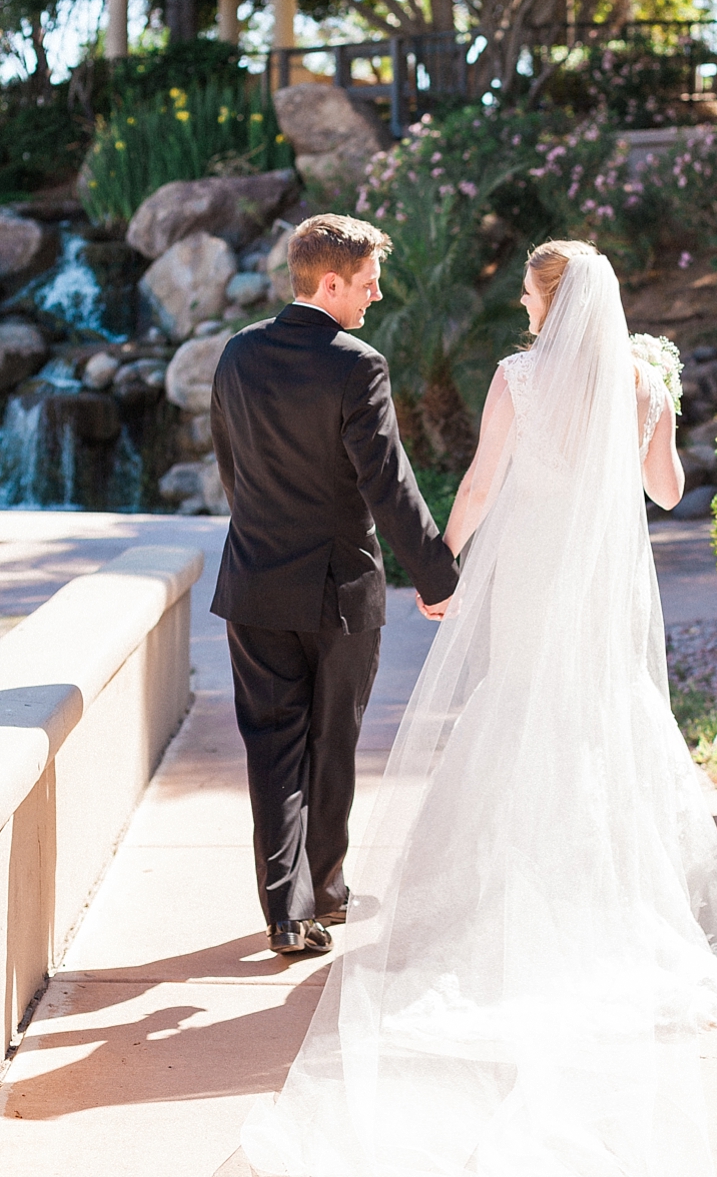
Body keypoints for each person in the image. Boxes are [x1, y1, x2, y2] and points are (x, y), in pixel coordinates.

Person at [242, 240, 717, 1176]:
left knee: (522, 713)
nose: (524, 308)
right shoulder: (643, 381)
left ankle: (506, 909)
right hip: (598, 586)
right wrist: (664, 411)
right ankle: (605, 910)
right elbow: (667, 493)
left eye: (529, 294)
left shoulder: (520, 377)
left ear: (552, 302)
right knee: (598, 723)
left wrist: (438, 564)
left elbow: (480, 484)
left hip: (529, 577)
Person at [210, 213, 458, 958]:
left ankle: (288, 912)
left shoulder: (235, 355)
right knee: (333, 740)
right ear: (329, 283)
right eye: (368, 284)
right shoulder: (356, 364)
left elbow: (232, 467)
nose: (375, 297)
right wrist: (437, 576)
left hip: (253, 580)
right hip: (338, 591)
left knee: (272, 747)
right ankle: (326, 889)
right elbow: (387, 483)